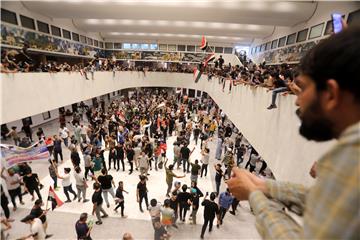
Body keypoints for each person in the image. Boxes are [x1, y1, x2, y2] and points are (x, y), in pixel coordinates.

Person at [227, 26, 360, 239]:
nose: (297, 100)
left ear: (331, 94)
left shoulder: (353, 157)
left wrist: (254, 195)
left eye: (303, 88)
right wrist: (263, 186)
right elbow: (326, 200)